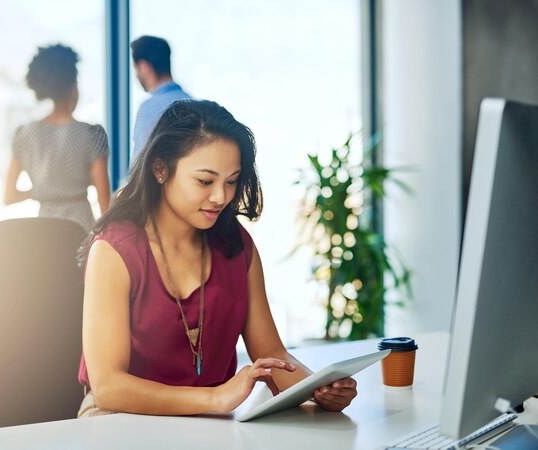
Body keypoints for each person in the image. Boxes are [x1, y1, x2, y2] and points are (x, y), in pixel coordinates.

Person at [77, 99, 357, 417]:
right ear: (160, 169)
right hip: (122, 418)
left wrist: (319, 389)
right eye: (205, 181)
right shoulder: (115, 249)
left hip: (211, 421)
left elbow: (271, 353)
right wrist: (215, 399)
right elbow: (109, 388)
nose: (221, 197)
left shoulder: (235, 244)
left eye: (232, 181)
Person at [4, 44, 111, 231]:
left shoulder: (24, 135)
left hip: (44, 234)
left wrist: (42, 192)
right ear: (73, 90)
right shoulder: (92, 134)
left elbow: (9, 196)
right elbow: (106, 207)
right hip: (80, 231)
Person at [130, 35, 191, 160]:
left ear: (144, 66)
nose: (136, 76)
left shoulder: (149, 109)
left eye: (136, 69)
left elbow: (139, 165)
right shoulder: (194, 103)